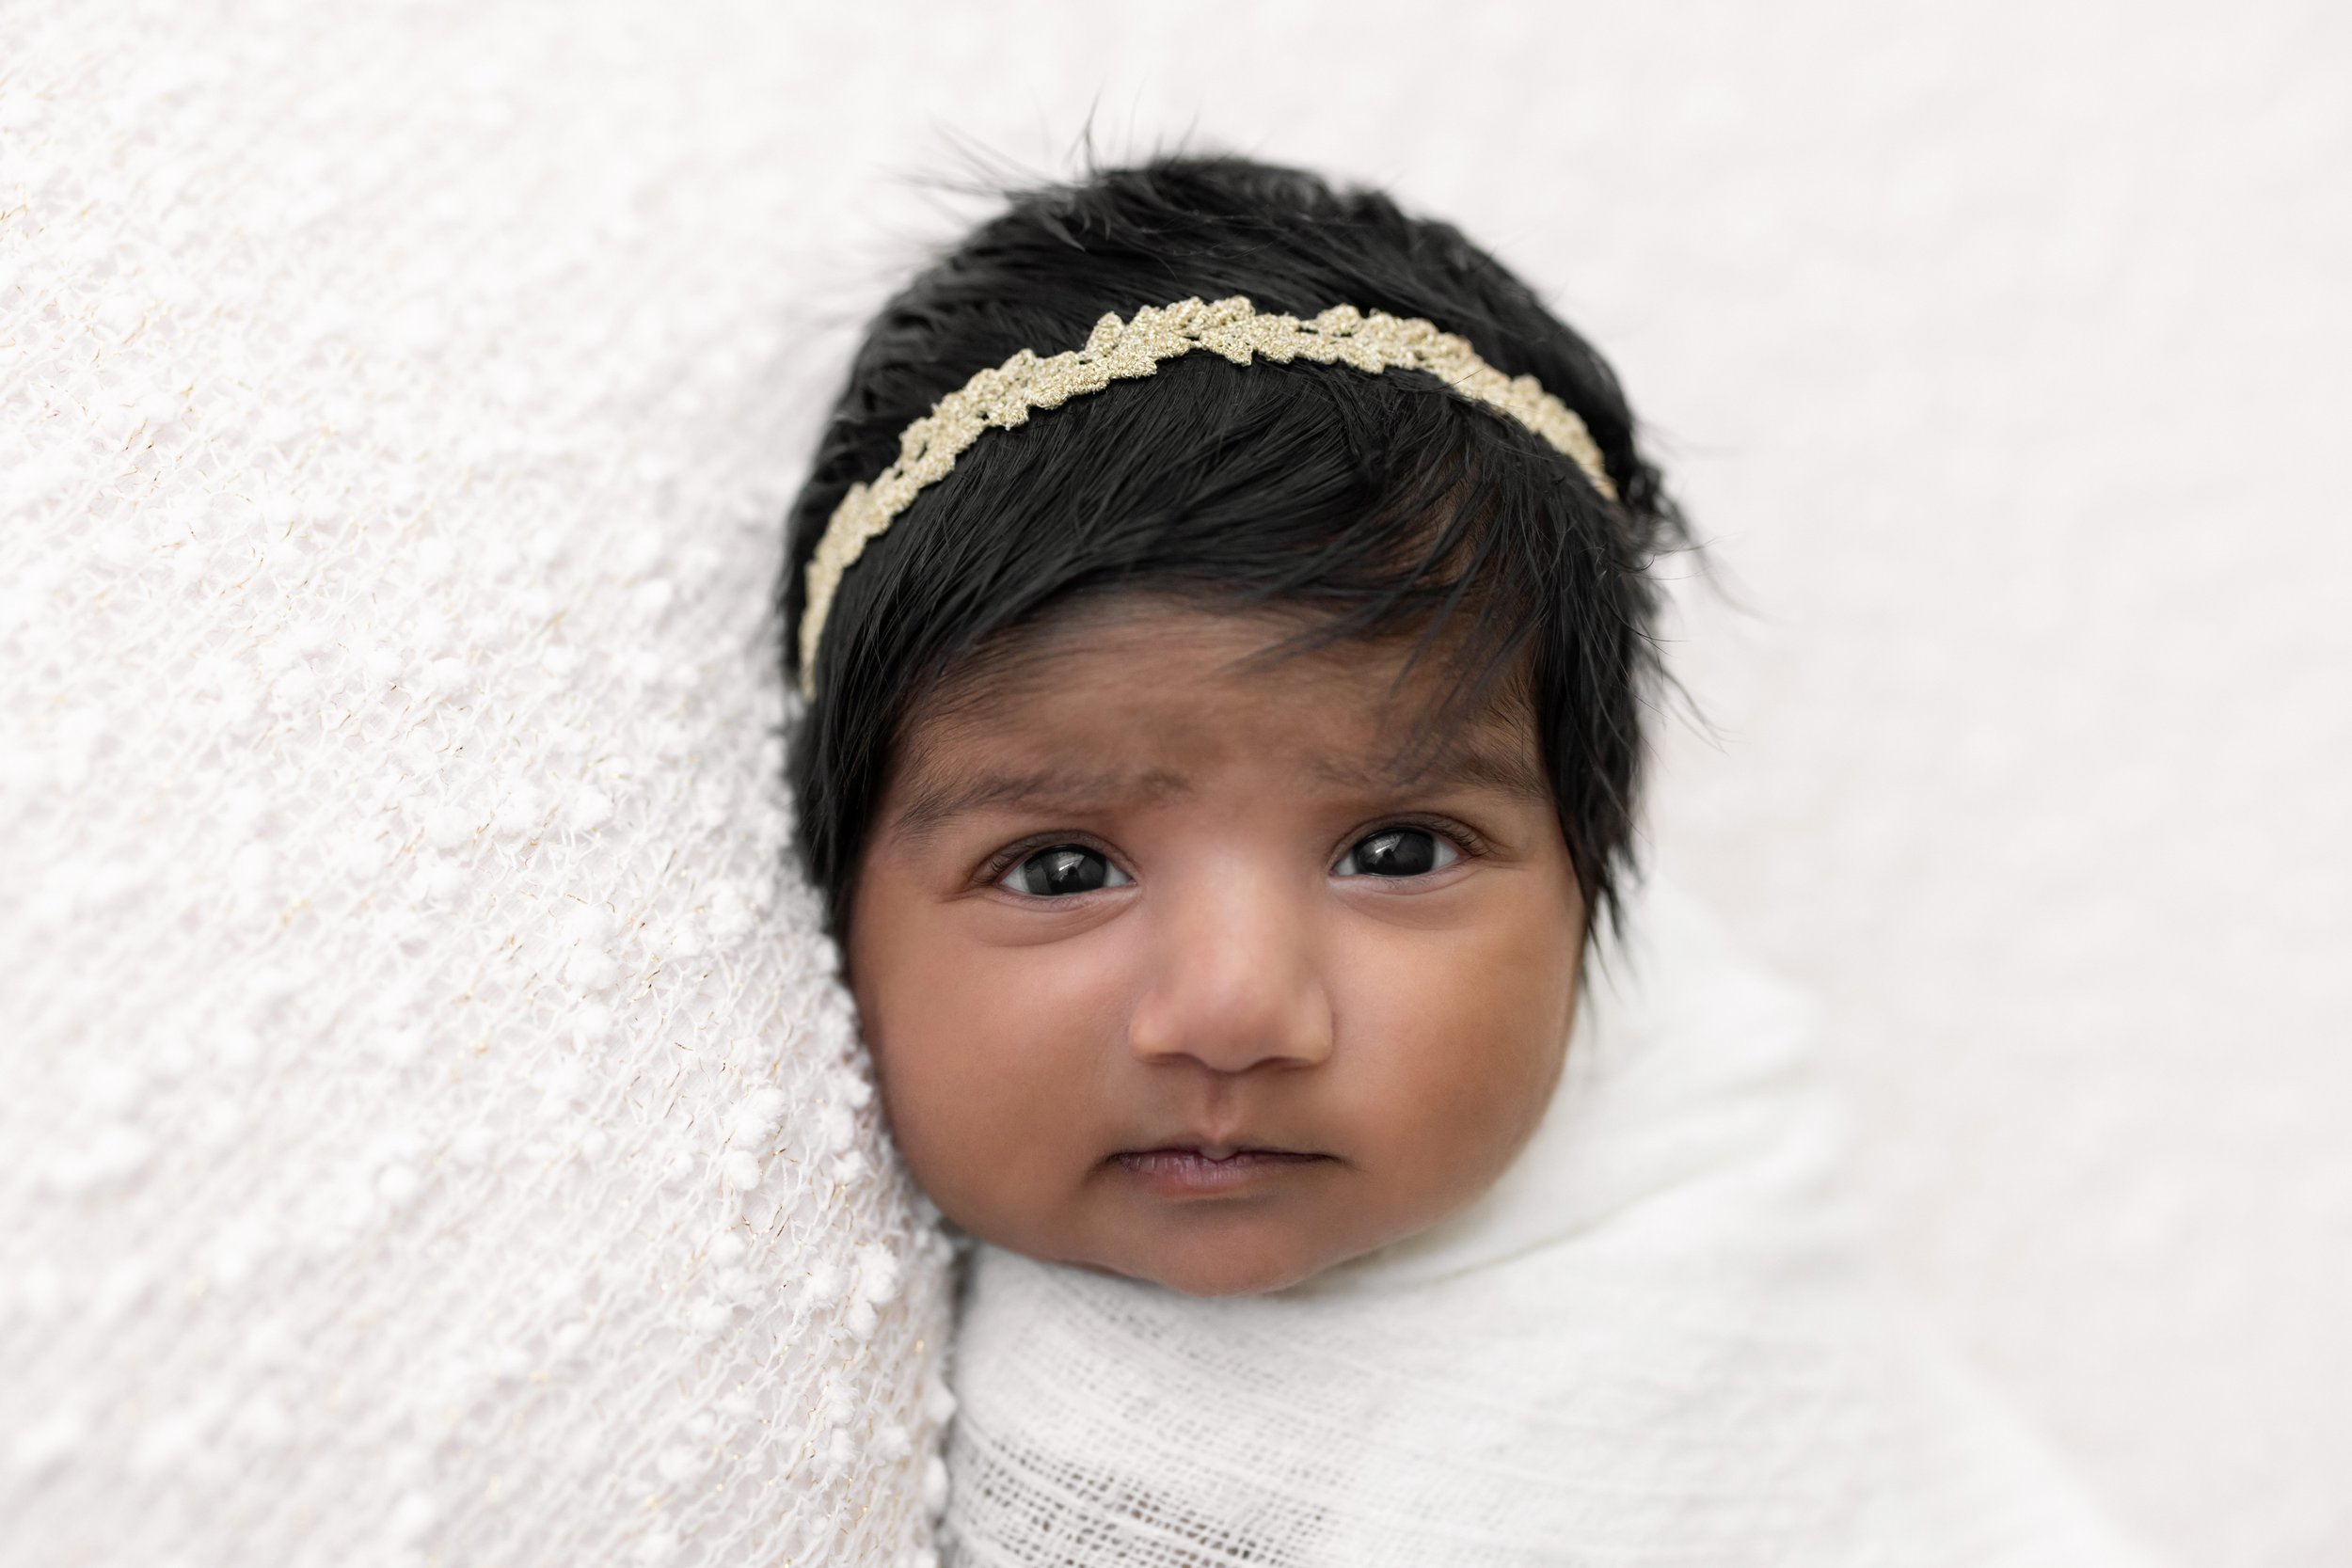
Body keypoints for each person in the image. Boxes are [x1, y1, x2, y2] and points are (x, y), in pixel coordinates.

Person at [781, 157, 2150, 1566]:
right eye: (1063, 870)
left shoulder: (1702, 1252)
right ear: (832, 904)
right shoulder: (795, 1374)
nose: (1239, 1010)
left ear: (1592, 881)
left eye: (1397, 850)